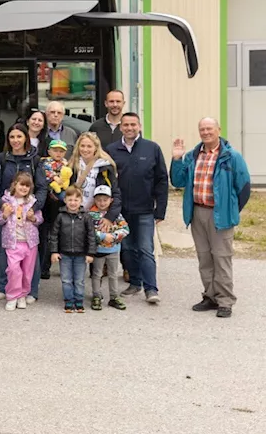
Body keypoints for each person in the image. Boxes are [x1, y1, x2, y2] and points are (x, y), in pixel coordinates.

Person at [170, 118, 250, 318]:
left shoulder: (231, 156)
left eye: (209, 128)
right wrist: (177, 159)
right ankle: (210, 296)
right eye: (202, 129)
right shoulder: (193, 155)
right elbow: (178, 181)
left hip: (220, 214)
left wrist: (230, 209)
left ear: (218, 130)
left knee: (221, 258)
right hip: (198, 212)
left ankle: (225, 301)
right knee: (204, 258)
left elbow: (244, 187)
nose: (206, 132)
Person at [106, 112, 168, 304]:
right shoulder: (111, 150)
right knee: (127, 248)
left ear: (139, 126)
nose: (129, 128)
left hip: (144, 210)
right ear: (121, 127)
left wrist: (160, 210)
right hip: (121, 210)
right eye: (126, 125)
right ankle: (134, 283)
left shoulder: (152, 148)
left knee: (145, 249)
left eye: (133, 124)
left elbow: (162, 180)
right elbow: (107, 181)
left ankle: (151, 289)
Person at [0, 124, 48, 302]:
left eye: (19, 137)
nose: (15, 140)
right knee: (4, 250)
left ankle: (31, 291)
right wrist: (0, 204)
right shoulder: (2, 158)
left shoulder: (35, 160)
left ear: (26, 139)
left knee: (31, 253)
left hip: (27, 211)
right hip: (7, 211)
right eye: (12, 137)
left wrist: (34, 208)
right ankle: (3, 286)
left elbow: (42, 187)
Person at [0, 172, 42, 311]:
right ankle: (12, 296)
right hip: (12, 242)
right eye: (22, 184)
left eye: (27, 186)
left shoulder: (32, 202)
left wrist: (33, 218)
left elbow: (40, 219)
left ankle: (22, 295)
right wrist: (5, 215)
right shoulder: (5, 201)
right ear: (14, 184)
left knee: (27, 272)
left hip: (30, 242)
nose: (24, 188)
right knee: (13, 270)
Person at [48, 185, 97, 313]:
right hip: (65, 254)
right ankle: (69, 301)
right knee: (66, 279)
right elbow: (54, 235)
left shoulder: (86, 217)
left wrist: (90, 253)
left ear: (81, 201)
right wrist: (54, 251)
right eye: (70, 200)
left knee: (79, 280)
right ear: (65, 200)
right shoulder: (60, 216)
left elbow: (91, 236)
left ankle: (79, 301)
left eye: (76, 200)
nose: (73, 203)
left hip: (81, 254)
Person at [88, 185, 129, 311]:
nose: (102, 203)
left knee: (113, 274)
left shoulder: (116, 215)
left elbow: (125, 229)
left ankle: (114, 297)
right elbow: (88, 231)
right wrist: (102, 236)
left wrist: (114, 236)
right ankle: (96, 295)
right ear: (95, 200)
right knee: (97, 274)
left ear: (111, 200)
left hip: (113, 249)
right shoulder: (91, 215)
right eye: (99, 200)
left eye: (105, 200)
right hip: (98, 250)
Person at [38, 139, 72, 281]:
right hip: (47, 203)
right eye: (55, 150)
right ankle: (43, 267)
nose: (58, 153)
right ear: (49, 151)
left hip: (61, 204)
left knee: (61, 235)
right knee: (44, 236)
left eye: (61, 151)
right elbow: (45, 177)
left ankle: (63, 267)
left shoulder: (67, 164)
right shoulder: (44, 163)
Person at [71, 133, 121, 219]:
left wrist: (109, 217)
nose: (85, 149)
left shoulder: (105, 167)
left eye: (89, 146)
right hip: (75, 214)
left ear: (96, 148)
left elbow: (115, 193)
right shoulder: (72, 165)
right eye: (82, 146)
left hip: (96, 214)